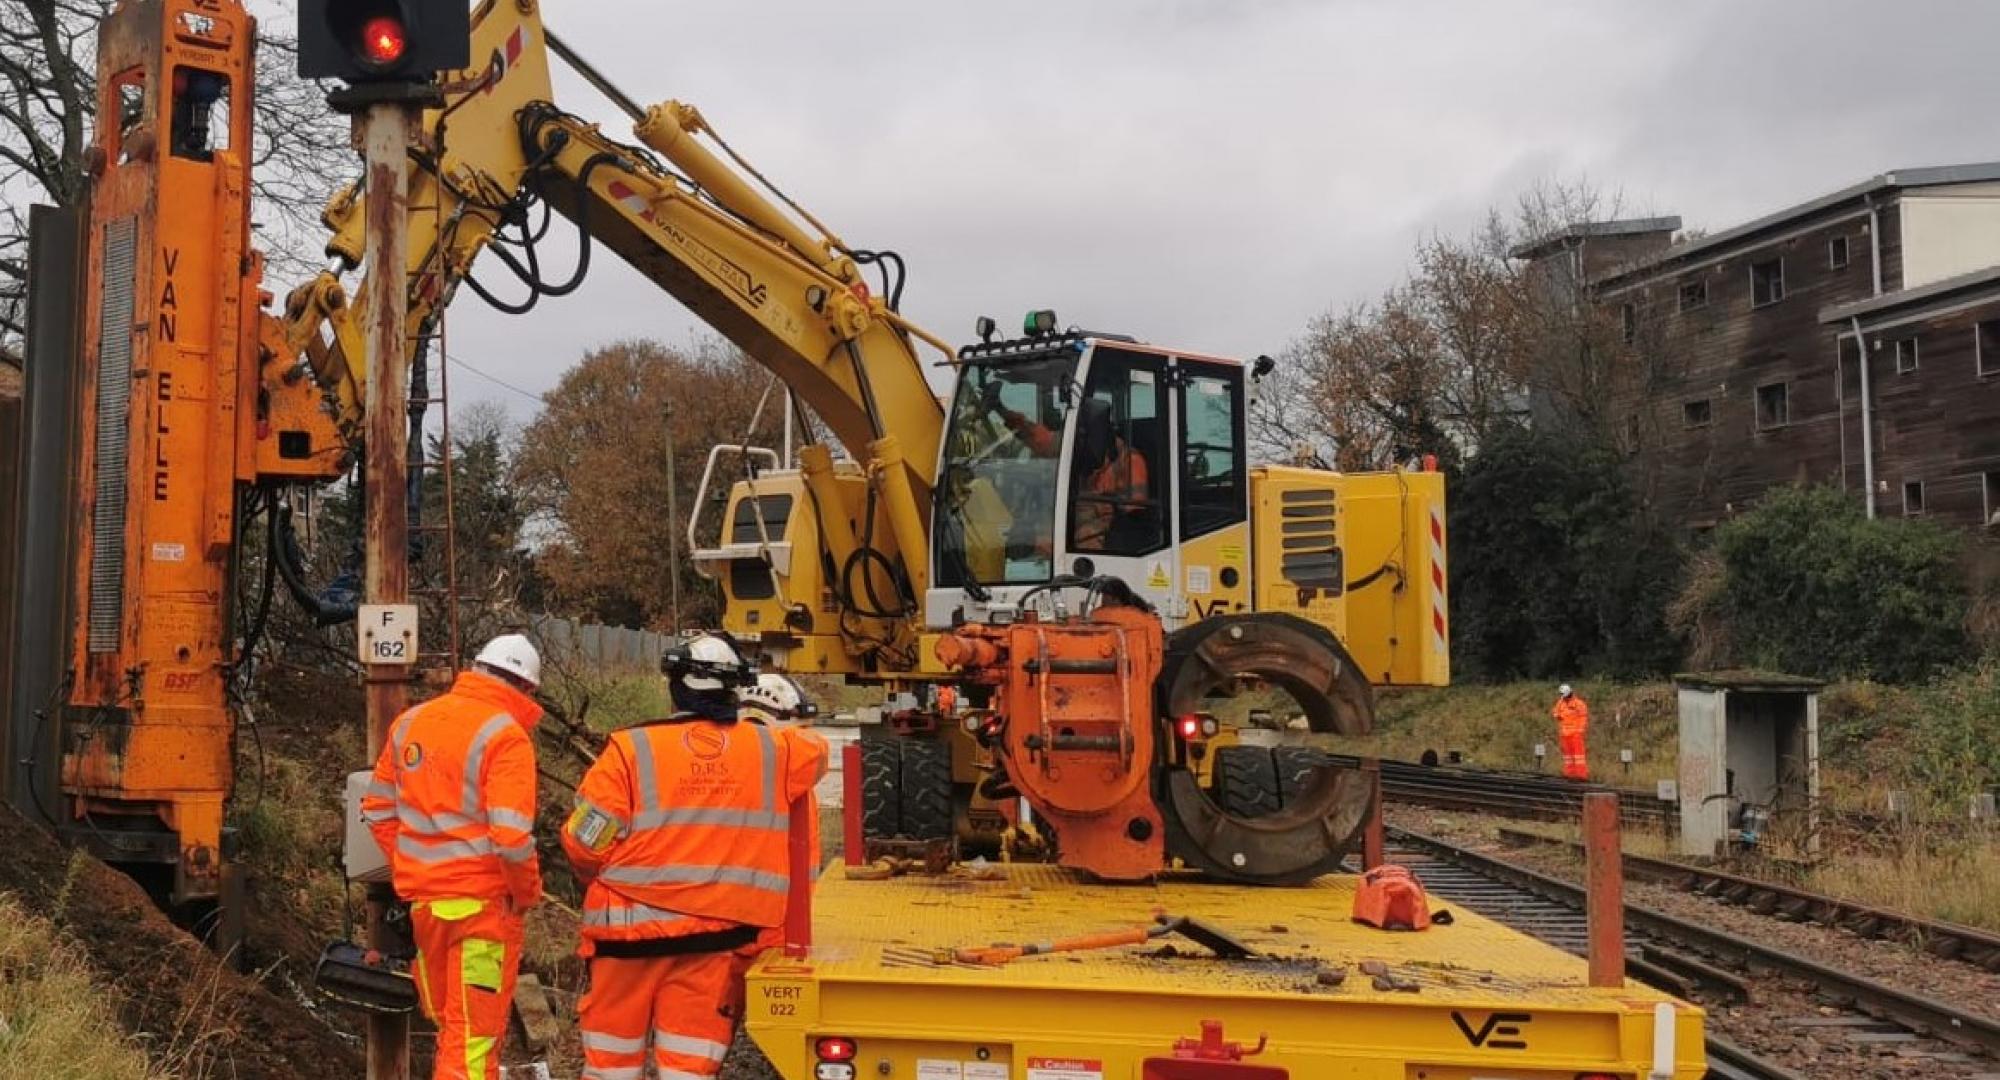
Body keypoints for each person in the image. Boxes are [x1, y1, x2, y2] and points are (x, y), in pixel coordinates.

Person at [565, 636, 827, 1080]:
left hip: (624, 941)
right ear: (735, 690)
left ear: (674, 686)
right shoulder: (774, 752)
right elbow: (815, 750)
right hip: (714, 942)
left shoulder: (630, 752)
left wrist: (604, 876)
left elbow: (585, 843)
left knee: (611, 1064)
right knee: (689, 1065)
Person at [359, 634, 544, 1080]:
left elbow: (378, 810)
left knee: (454, 1034)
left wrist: (415, 867)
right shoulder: (507, 737)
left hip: (426, 911)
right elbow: (512, 838)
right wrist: (526, 893)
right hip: (481, 912)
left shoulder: (410, 723)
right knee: (472, 1048)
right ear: (528, 689)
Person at [1553, 683, 1589, 781]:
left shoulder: (1579, 704)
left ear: (1569, 693)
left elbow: (1583, 717)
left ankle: (1581, 775)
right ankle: (1569, 774)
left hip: (1575, 734)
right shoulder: (1561, 702)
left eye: (1563, 695)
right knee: (1568, 756)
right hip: (1565, 734)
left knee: (1579, 756)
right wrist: (1558, 715)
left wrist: (1580, 730)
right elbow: (1555, 712)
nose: (1562, 697)